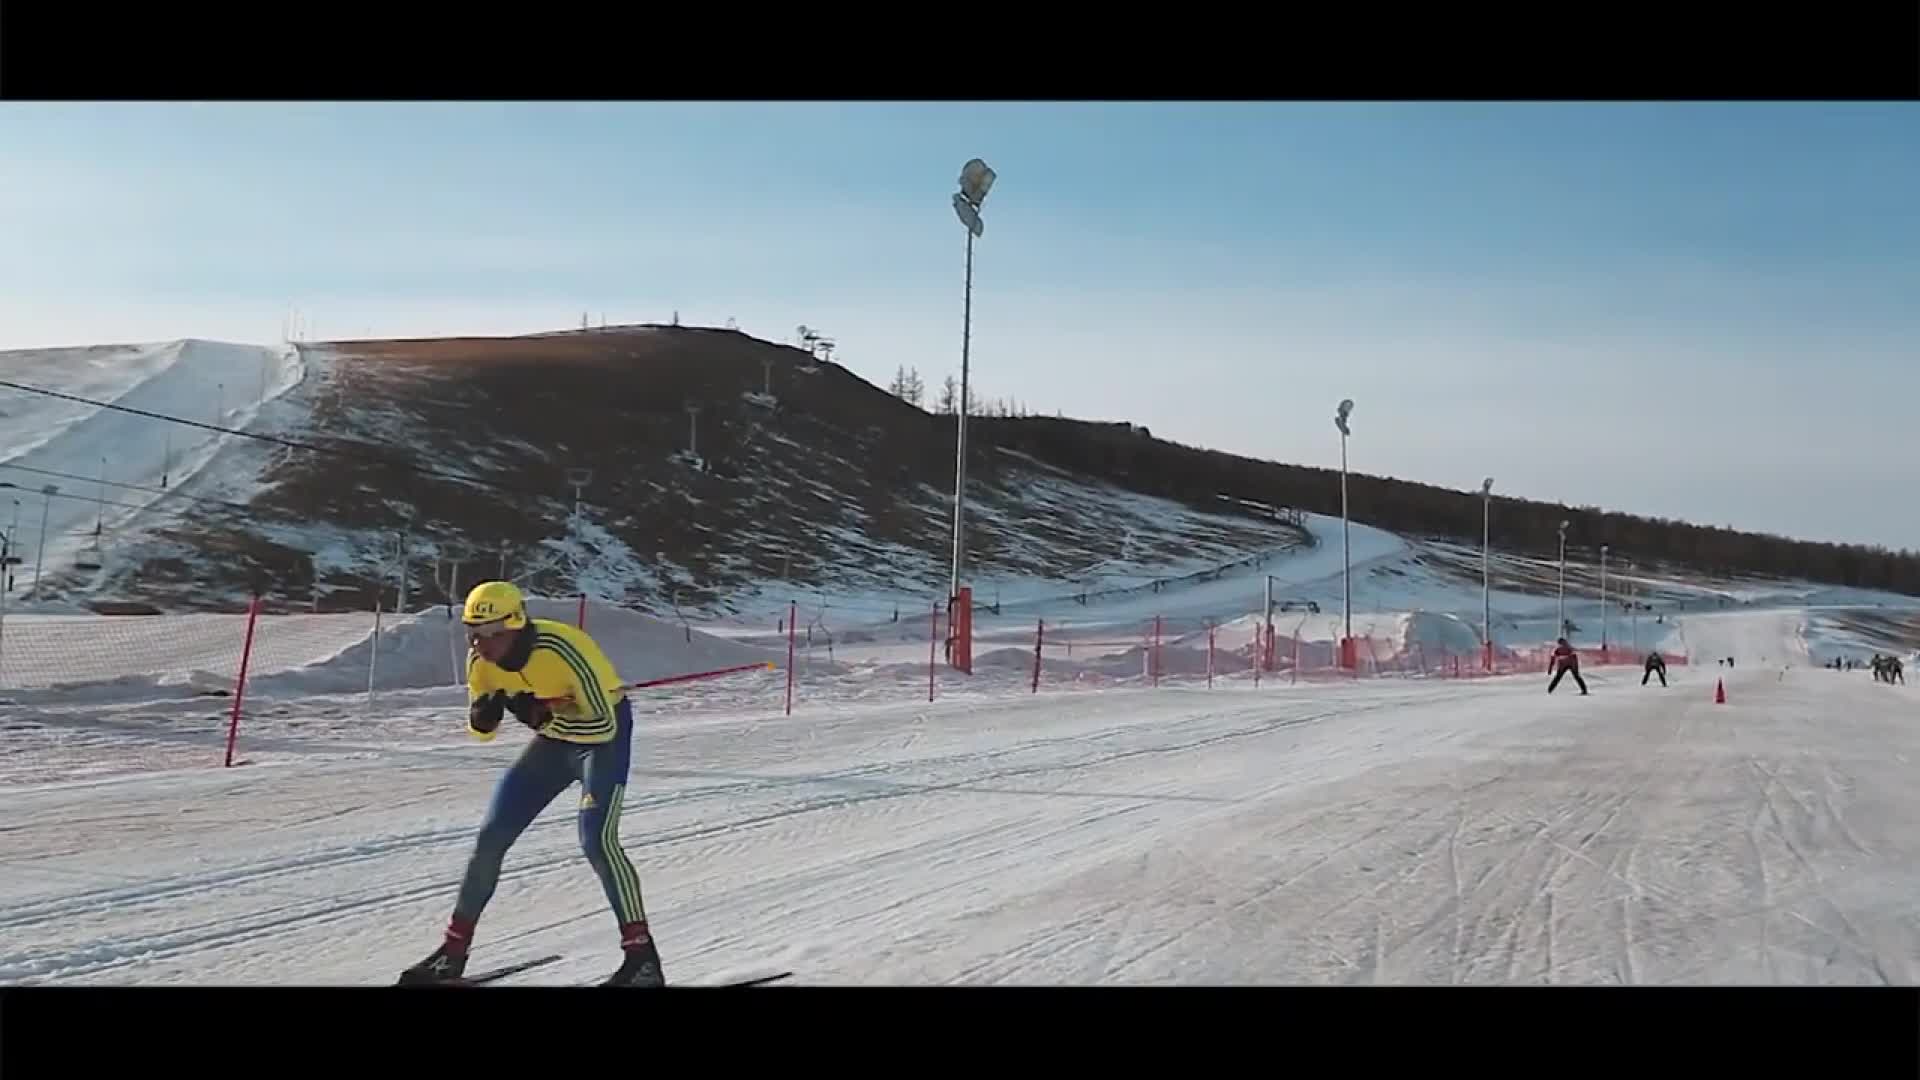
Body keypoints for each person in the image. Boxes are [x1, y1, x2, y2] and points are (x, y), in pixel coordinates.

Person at [398, 580, 664, 987]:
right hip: (555, 741)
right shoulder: (479, 662)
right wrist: (482, 717)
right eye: (472, 632)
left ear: (516, 624)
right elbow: (483, 732)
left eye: (491, 634)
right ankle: (451, 954)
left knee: (597, 841)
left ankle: (642, 959)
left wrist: (541, 716)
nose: (481, 643)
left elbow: (604, 725)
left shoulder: (563, 647)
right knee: (491, 837)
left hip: (600, 741)